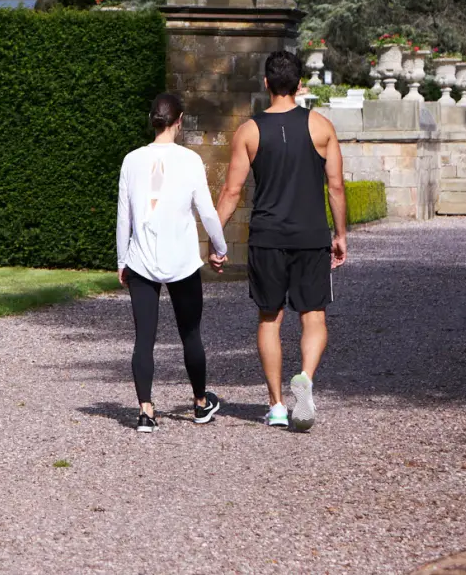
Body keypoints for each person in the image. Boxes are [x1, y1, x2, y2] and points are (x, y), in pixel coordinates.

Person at [217, 50, 349, 432]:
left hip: (267, 236)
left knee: (269, 318)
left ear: (266, 84)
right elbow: (336, 187)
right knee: (314, 315)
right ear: (299, 84)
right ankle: (305, 377)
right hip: (310, 234)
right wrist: (340, 235)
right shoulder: (322, 127)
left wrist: (215, 237)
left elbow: (231, 191)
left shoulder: (249, 131)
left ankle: (276, 405)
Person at [116, 92, 230, 433]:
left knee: (144, 338)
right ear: (179, 122)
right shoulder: (190, 160)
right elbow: (206, 212)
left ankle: (146, 411)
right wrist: (220, 248)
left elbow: (124, 217)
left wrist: (122, 259)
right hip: (182, 260)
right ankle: (200, 403)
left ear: (152, 120)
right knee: (190, 333)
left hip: (140, 259)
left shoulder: (131, 160)